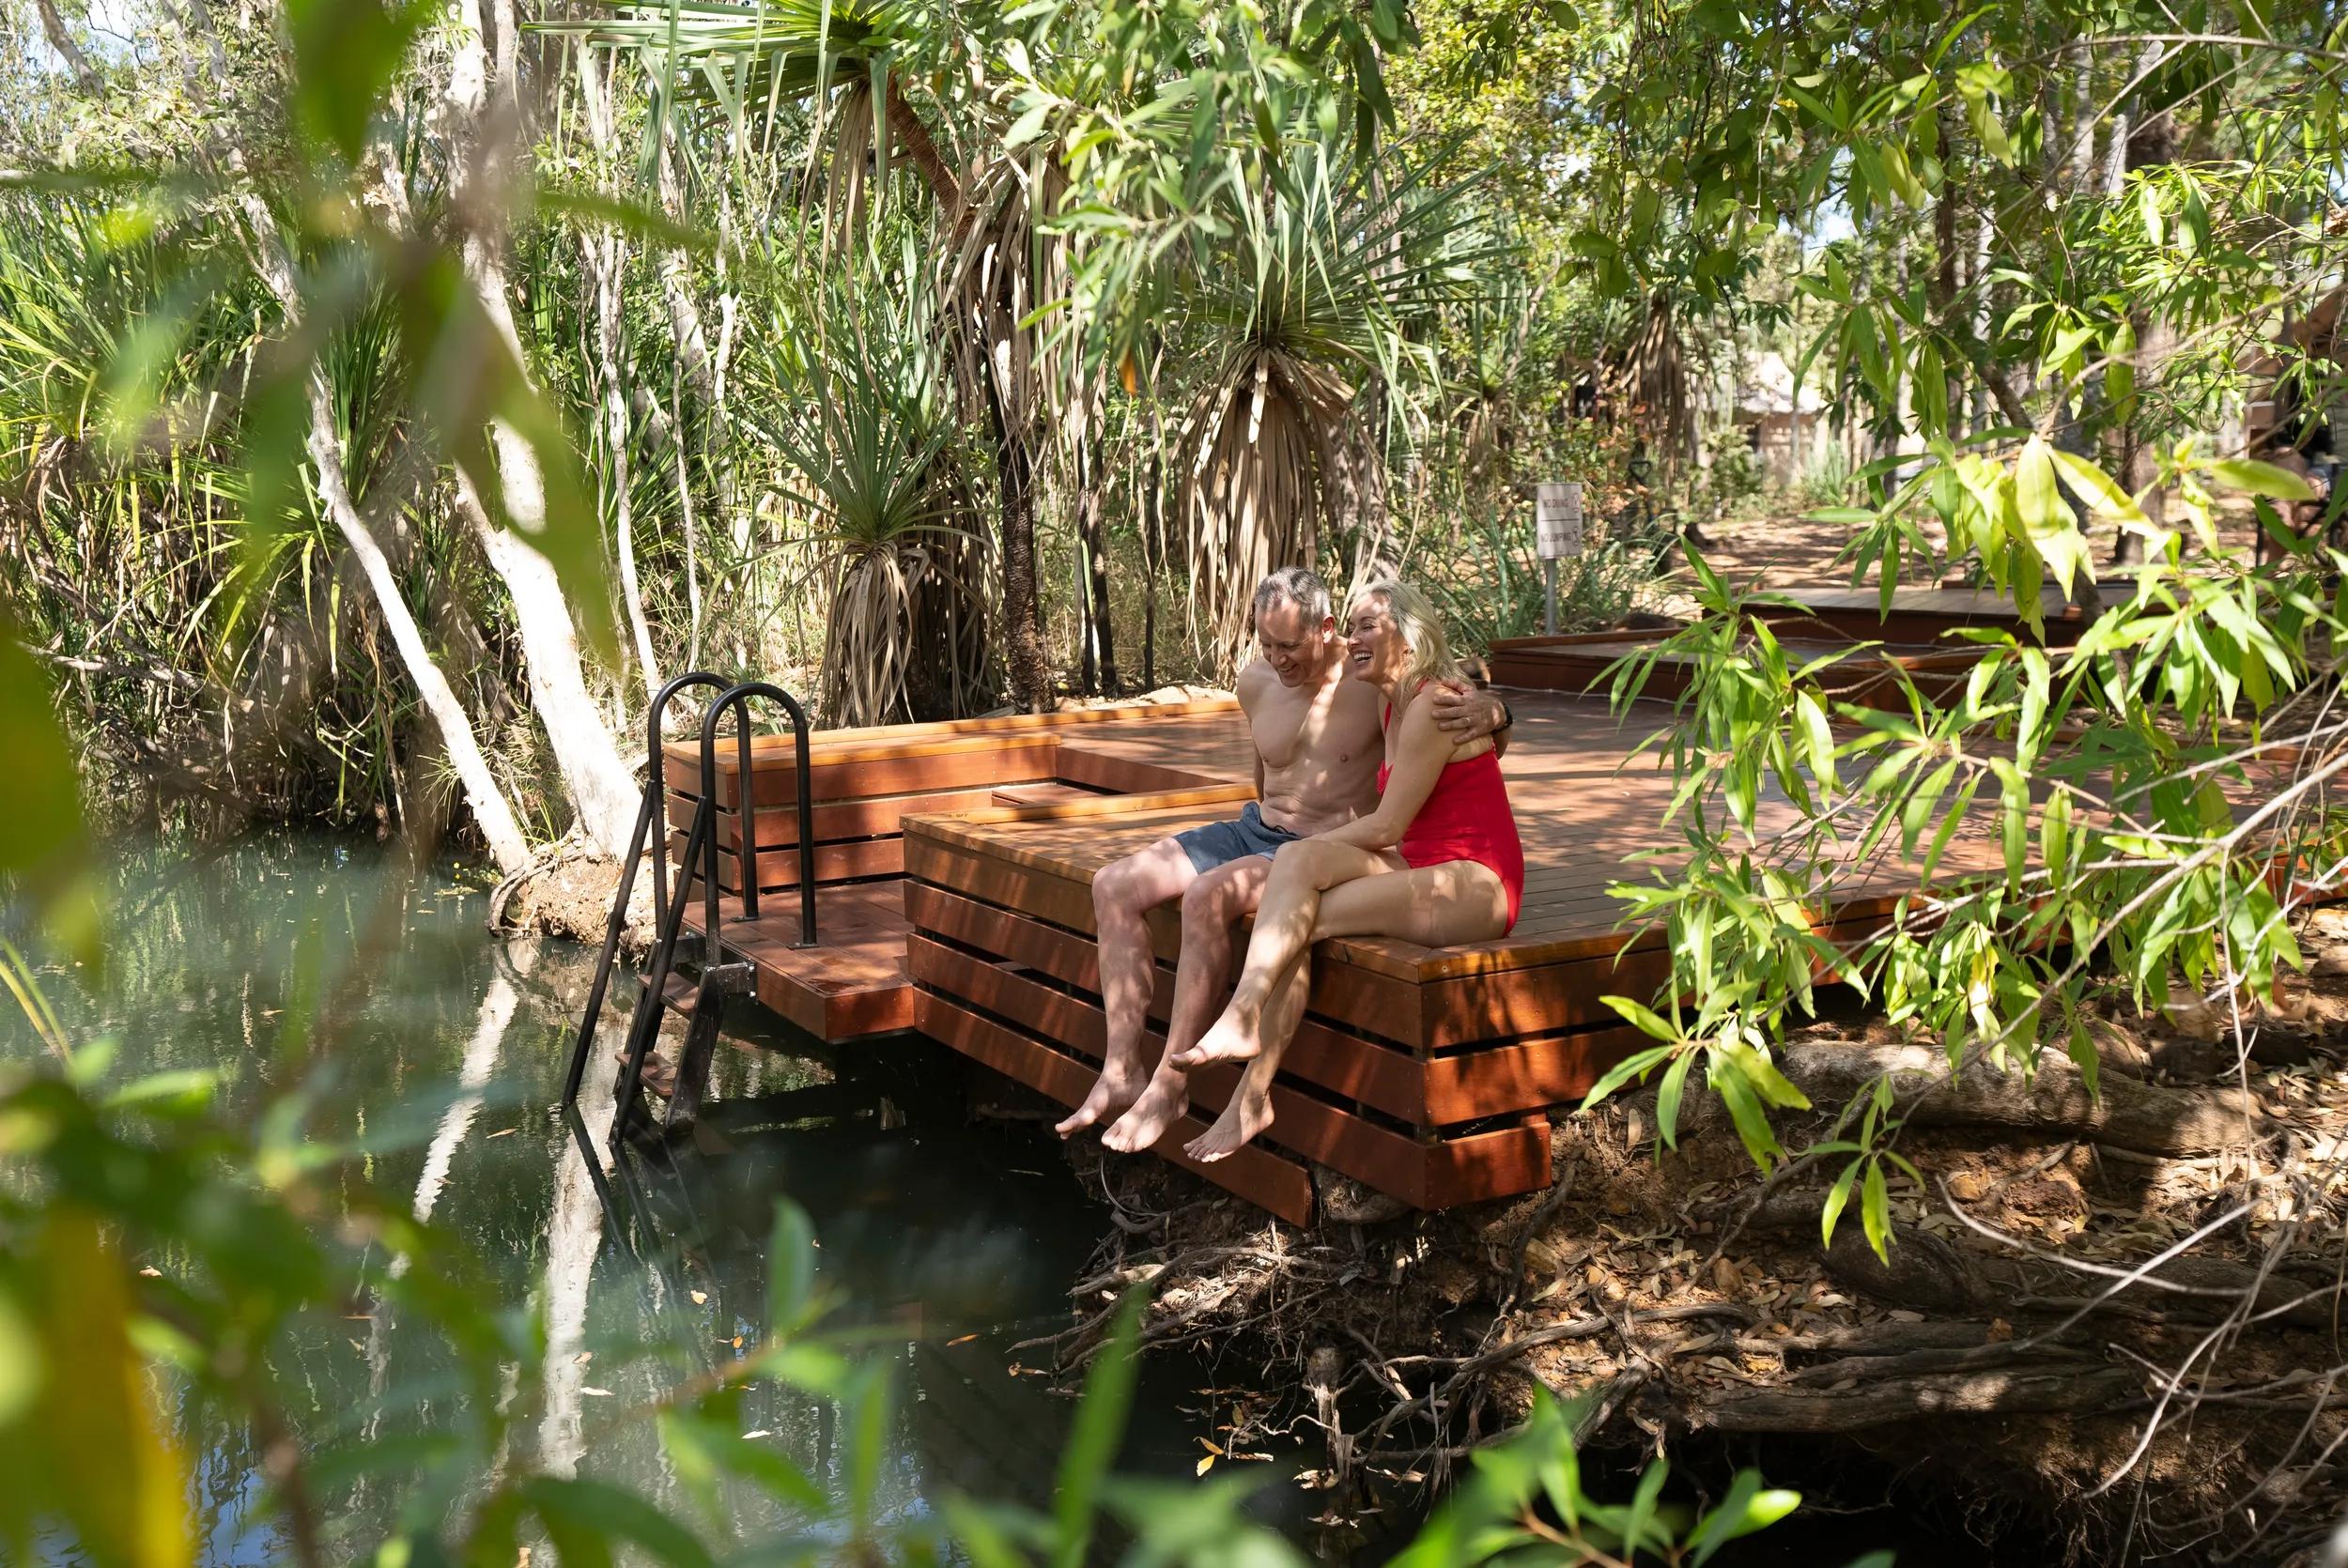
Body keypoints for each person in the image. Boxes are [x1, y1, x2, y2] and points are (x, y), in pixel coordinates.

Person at [1054, 567, 1512, 1150]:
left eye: (1290, 645)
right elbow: (1265, 774)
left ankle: (1173, 1083)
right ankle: (1122, 1072)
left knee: (1210, 898)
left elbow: (1454, 697)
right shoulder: (1256, 683)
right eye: (1265, 643)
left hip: (1337, 845)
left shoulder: (1370, 677)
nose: (1277, 658)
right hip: (1260, 828)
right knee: (1112, 884)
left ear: (1325, 632)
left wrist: (1499, 712)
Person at [1169, 578, 1525, 1163]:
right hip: (1419, 861)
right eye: (1352, 625)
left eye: (1366, 627)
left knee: (1298, 899)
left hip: (1475, 881)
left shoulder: (1435, 703)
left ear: (1406, 640)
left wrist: (1498, 711)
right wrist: (1500, 714)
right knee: (1298, 880)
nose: (1353, 638)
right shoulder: (1391, 700)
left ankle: (1246, 1045)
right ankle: (1249, 1083)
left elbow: (1385, 827)